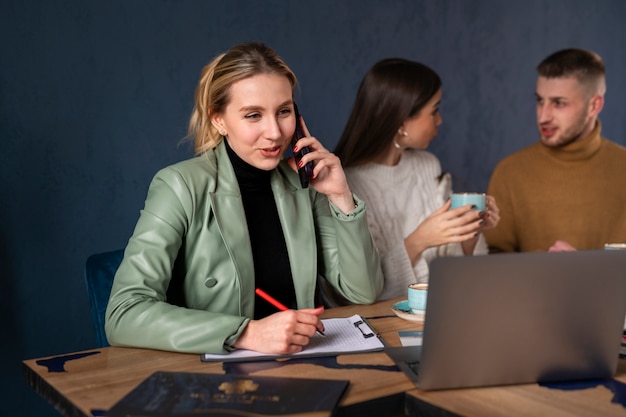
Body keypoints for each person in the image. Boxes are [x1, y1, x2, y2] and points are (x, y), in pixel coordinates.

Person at [105, 42, 383, 355]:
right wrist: (247, 333)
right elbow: (123, 314)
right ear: (218, 120)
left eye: (284, 112)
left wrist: (340, 195)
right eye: (253, 115)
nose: (275, 132)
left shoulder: (305, 182)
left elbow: (362, 292)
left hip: (304, 361)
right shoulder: (179, 185)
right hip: (218, 376)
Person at [334, 58, 500, 300]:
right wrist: (418, 241)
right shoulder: (346, 186)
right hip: (386, 322)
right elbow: (363, 294)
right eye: (434, 110)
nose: (440, 120)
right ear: (402, 121)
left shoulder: (427, 165)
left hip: (447, 307)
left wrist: (470, 231)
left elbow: (460, 271)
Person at [484, 48, 626, 253]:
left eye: (558, 103)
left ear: (594, 106)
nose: (543, 116)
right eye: (540, 100)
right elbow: (489, 269)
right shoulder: (510, 172)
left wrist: (586, 274)